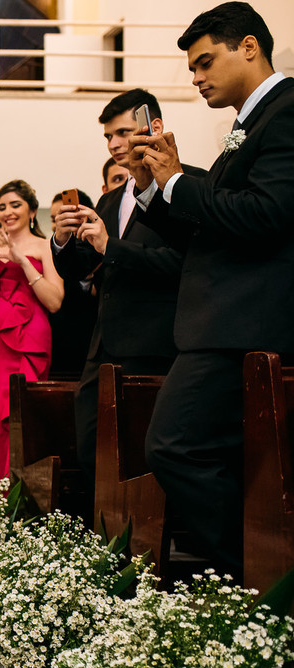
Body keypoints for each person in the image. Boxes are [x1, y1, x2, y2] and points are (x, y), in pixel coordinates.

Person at [129, 1, 294, 575]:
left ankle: (260, 581)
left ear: (248, 46)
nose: (196, 78)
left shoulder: (288, 112)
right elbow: (211, 230)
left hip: (245, 325)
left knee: (174, 447)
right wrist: (157, 190)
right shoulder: (249, 125)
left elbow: (268, 214)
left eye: (204, 63)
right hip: (221, 326)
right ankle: (250, 582)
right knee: (209, 456)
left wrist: (179, 183)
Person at [52, 89, 193, 482]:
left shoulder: (190, 184)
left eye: (122, 132)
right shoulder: (112, 199)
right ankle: (103, 538)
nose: (114, 144)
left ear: (154, 127)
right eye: (108, 137)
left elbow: (180, 263)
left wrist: (110, 246)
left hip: (156, 341)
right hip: (104, 344)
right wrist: (62, 242)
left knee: (143, 456)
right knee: (90, 446)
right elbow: (86, 268)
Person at [0, 180, 63, 493]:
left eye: (15, 205)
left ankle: (23, 502)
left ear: (32, 211)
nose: (7, 212)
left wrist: (22, 261)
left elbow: (55, 301)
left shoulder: (45, 245)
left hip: (30, 339)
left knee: (24, 420)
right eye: (2, 206)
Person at [45, 188, 98, 377]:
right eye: (54, 219)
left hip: (95, 346)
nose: (58, 224)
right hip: (60, 347)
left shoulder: (103, 247)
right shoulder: (52, 253)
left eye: (64, 216)